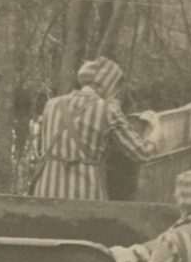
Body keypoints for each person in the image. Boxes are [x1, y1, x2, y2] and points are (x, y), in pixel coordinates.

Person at [32, 56, 160, 200]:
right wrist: (155, 129)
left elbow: (40, 148)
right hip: (85, 196)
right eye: (116, 90)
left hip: (45, 193)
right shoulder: (107, 110)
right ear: (109, 86)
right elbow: (141, 153)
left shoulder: (51, 105)